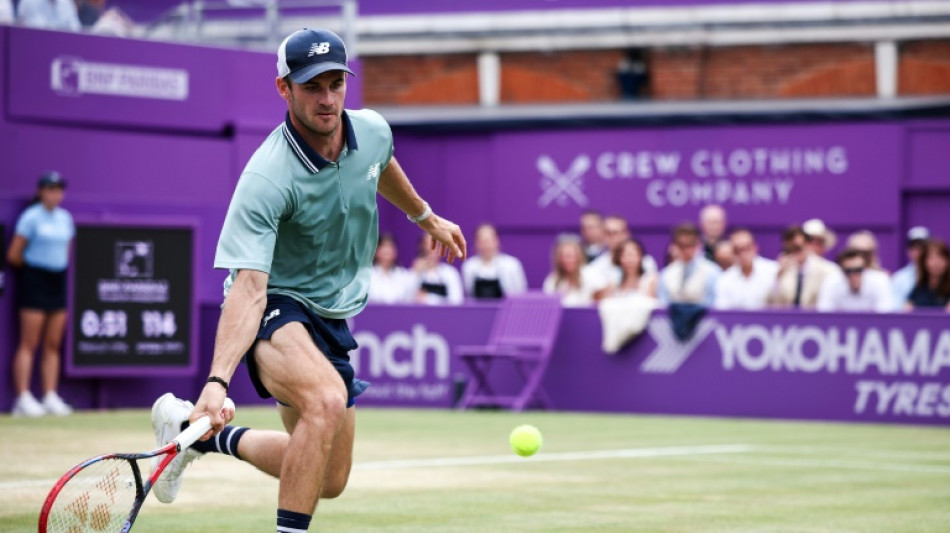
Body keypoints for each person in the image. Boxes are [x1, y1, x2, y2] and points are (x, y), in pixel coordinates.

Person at [147, 29, 466, 533]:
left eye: (335, 84)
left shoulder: (372, 130)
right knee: (325, 399)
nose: (327, 98)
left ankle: (202, 438)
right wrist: (217, 382)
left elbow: (378, 166)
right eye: (312, 86)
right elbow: (249, 288)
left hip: (332, 313)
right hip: (276, 302)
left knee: (330, 478)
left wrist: (425, 217)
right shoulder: (267, 178)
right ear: (284, 89)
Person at [6, 171, 75, 417]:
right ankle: (23, 397)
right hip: (34, 280)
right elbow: (14, 254)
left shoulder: (65, 218)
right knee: (29, 342)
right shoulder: (30, 218)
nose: (55, 193)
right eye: (50, 188)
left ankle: (49, 396)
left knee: (53, 343)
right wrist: (37, 268)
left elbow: (66, 251)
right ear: (41, 191)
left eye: (59, 188)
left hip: (57, 281)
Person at [769, 225, 837, 309]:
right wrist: (778, 276)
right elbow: (772, 303)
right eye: (789, 250)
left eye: (798, 248)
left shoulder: (827, 270)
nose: (794, 253)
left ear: (808, 245)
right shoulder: (780, 270)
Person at [587, 214, 658, 291]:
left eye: (616, 232)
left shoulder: (646, 262)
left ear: (626, 234)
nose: (612, 237)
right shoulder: (596, 266)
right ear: (603, 236)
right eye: (608, 233)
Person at [713, 228, 778, 311]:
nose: (743, 254)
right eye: (737, 250)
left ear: (755, 247)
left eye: (746, 248)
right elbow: (723, 312)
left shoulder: (774, 271)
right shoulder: (725, 279)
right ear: (732, 252)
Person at [657, 222, 720, 306]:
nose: (685, 250)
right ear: (675, 246)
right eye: (681, 245)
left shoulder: (712, 272)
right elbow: (663, 304)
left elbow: (713, 304)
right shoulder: (666, 274)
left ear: (698, 244)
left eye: (689, 245)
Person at [461, 223, 527, 299]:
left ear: (497, 241)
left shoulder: (512, 265)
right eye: (482, 241)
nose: (486, 245)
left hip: (506, 310)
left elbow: (521, 294)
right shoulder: (469, 266)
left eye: (489, 240)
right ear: (476, 243)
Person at [816, 248, 892, 313]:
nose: (854, 275)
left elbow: (885, 315)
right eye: (848, 271)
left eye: (858, 270)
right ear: (841, 271)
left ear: (865, 269)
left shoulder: (880, 280)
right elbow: (824, 313)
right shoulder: (831, 281)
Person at [542, 234, 598, 307]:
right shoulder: (552, 280)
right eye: (563, 256)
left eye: (570, 256)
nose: (567, 260)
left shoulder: (591, 274)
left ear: (578, 256)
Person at [412, 232, 465, 305]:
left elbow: (456, 302)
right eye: (427, 245)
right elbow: (407, 299)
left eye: (434, 245)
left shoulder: (450, 273)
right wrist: (415, 274)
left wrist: (428, 298)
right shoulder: (415, 273)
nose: (430, 249)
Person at [367, 233, 415, 304]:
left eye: (390, 246)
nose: (387, 250)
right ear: (376, 250)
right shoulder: (368, 274)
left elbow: (410, 296)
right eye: (384, 246)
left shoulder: (402, 274)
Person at [892, 226, 930, 310]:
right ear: (908, 250)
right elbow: (893, 308)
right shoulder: (899, 278)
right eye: (914, 247)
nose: (919, 251)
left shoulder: (938, 277)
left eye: (922, 247)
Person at [906, 239, 950, 311]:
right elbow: (907, 309)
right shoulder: (919, 288)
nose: (936, 263)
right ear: (924, 262)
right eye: (931, 258)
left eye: (940, 257)